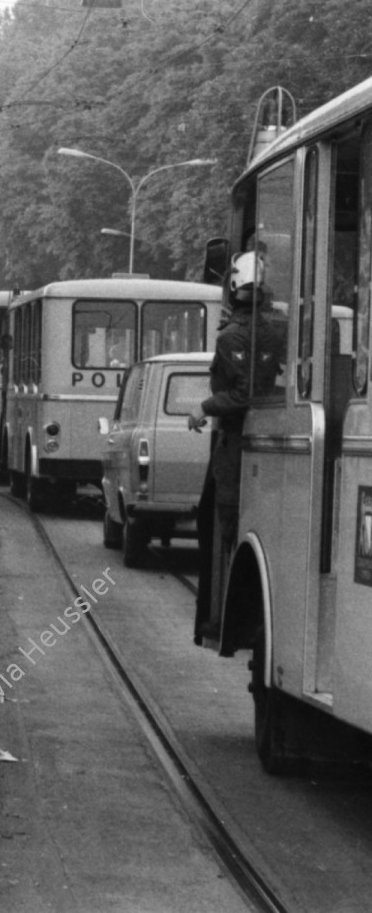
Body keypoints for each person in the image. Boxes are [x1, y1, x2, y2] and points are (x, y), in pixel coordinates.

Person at [188, 252, 285, 645]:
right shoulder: (279, 329)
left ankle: (225, 615)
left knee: (224, 521)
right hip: (270, 435)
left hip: (235, 442)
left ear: (232, 289)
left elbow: (244, 394)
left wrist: (204, 407)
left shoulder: (232, 336)